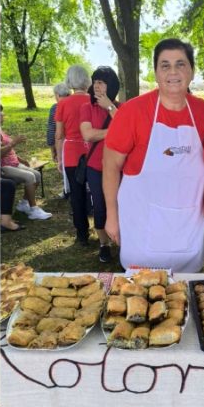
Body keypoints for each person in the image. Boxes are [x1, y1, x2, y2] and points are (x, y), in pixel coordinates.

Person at [103, 38, 204, 272]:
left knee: (184, 298)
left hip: (188, 228)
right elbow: (110, 165)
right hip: (141, 226)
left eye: (180, 64)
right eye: (165, 65)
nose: (173, 72)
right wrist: (111, 215)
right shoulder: (132, 112)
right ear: (155, 73)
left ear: (192, 71)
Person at [79, 66, 121, 263]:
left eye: (102, 82)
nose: (97, 85)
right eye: (95, 81)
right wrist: (114, 132)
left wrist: (110, 107)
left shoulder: (120, 108)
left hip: (119, 167)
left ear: (110, 85)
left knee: (121, 205)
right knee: (100, 207)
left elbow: (128, 131)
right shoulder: (86, 108)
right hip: (95, 167)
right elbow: (88, 134)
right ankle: (104, 244)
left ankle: (122, 242)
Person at [54, 65, 93, 246]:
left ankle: (82, 234)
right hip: (92, 151)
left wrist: (59, 158)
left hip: (71, 153)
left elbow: (59, 134)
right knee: (96, 191)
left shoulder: (63, 103)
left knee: (76, 194)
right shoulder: (94, 101)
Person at [0, 109, 52, 221]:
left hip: (14, 163)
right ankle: (34, 210)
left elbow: (9, 151)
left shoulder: (0, 130)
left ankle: (23, 204)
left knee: (37, 174)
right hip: (4, 167)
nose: (3, 114)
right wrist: (14, 142)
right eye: (0, 112)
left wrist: (20, 159)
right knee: (30, 177)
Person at [48, 82, 71, 166]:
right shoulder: (76, 104)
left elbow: (51, 129)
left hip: (63, 144)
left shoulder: (55, 108)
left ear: (57, 95)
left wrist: (53, 150)